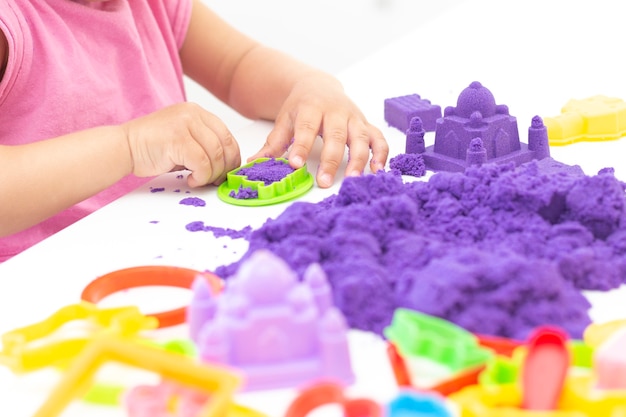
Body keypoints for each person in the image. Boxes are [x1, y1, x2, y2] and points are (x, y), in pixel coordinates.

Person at [0, 0, 389, 262]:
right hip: (42, 277)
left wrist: (309, 86)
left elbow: (236, 65)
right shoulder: (12, 23)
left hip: (159, 243)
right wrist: (129, 146)